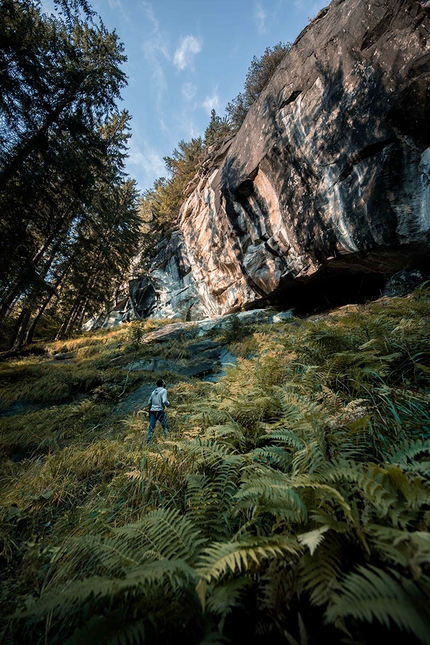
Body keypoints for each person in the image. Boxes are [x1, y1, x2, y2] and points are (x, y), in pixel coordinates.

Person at [146, 378, 170, 443]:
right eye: (164, 382)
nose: (165, 383)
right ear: (162, 384)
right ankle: (165, 440)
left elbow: (149, 402)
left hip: (152, 411)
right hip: (159, 411)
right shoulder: (164, 390)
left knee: (151, 427)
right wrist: (168, 404)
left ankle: (149, 441)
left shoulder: (153, 392)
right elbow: (164, 400)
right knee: (165, 426)